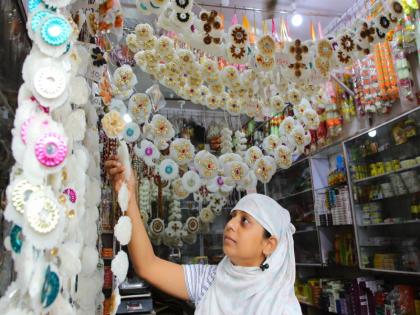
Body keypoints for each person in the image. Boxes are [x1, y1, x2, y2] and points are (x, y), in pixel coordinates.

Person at [105, 156, 302, 315]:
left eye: (245, 221)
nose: (231, 225)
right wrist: (129, 196)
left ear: (269, 244)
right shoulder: (210, 280)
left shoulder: (282, 307)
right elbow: (147, 265)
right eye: (232, 217)